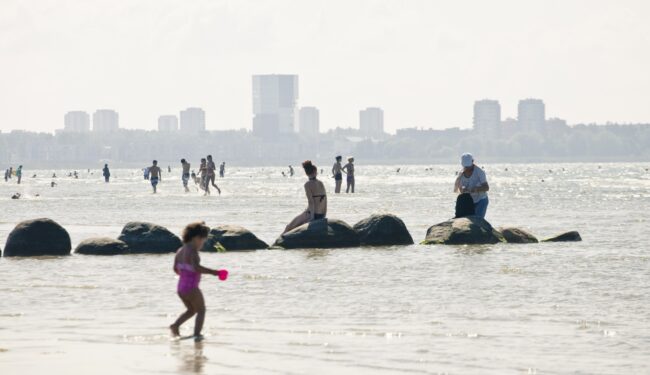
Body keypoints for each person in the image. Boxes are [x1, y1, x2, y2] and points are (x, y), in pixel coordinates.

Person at [170, 222, 224, 341]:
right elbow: (196, 268)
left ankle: (175, 326)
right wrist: (215, 272)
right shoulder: (193, 252)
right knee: (201, 310)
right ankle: (197, 335)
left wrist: (185, 274)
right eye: (203, 241)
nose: (202, 244)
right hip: (192, 288)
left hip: (181, 288)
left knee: (191, 310)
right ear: (196, 238)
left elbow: (175, 269)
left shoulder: (180, 251)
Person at [283, 161, 328, 234]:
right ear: (315, 172)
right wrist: (324, 215)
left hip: (312, 213)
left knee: (289, 227)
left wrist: (312, 218)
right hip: (321, 214)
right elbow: (325, 200)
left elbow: (311, 202)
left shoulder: (307, 184)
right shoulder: (321, 183)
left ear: (306, 173)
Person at [454, 153, 490, 218]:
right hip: (470, 201)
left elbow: (486, 187)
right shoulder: (461, 174)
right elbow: (460, 189)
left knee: (477, 220)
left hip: (481, 200)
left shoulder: (479, 172)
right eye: (466, 166)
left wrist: (475, 189)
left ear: (472, 162)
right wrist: (463, 189)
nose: (467, 168)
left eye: (469, 166)